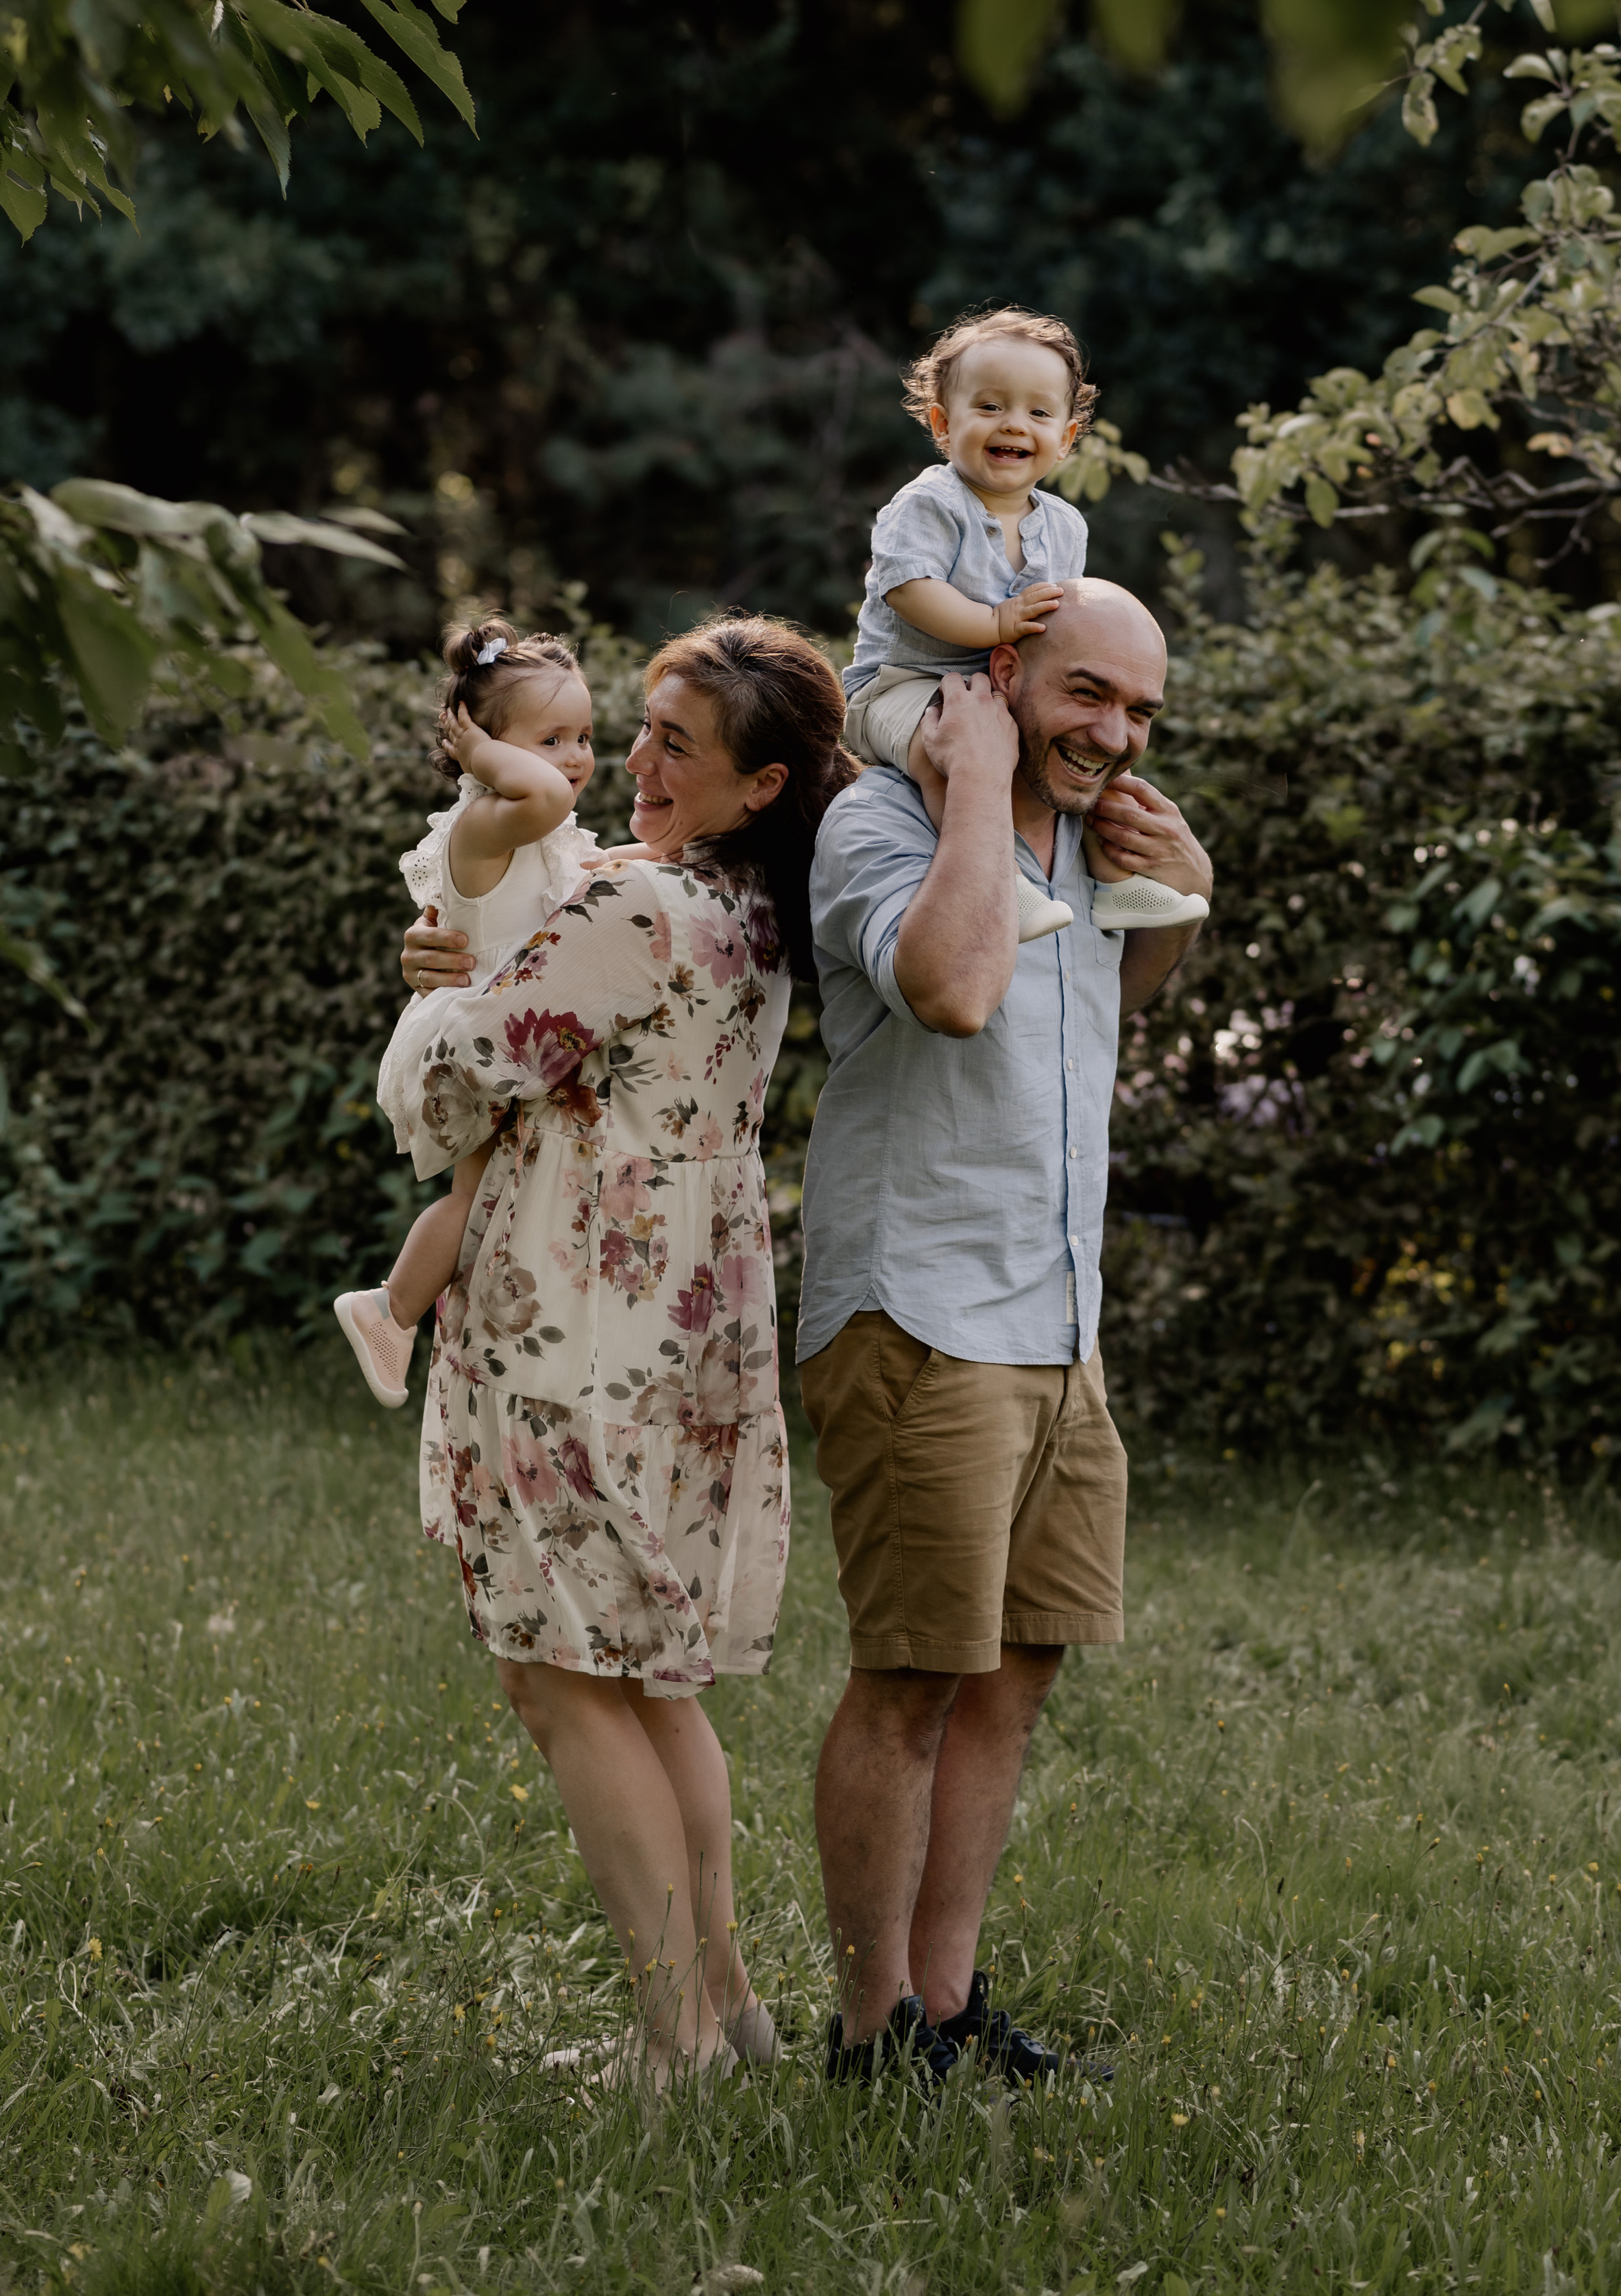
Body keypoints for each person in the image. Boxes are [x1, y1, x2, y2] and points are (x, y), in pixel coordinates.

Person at [395, 616, 857, 2088]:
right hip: (680, 1322)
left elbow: (462, 1081)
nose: (632, 764)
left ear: (759, 784)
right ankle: (728, 2011)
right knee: (647, 1678)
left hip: (569, 1314)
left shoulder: (631, 908)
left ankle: (674, 2043)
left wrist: (439, 981)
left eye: (675, 746)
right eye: (638, 730)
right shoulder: (747, 913)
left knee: (562, 1675)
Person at [799, 577, 1213, 2087]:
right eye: (1085, 694)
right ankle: (865, 2037)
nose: (1114, 733)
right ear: (999, 670)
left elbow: (1090, 1011)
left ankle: (947, 2005)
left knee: (1018, 1663)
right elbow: (960, 991)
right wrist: (975, 776)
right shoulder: (883, 825)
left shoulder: (1080, 833)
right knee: (910, 1676)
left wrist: (1176, 896)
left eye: (1142, 709)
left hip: (1054, 1309)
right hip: (919, 1302)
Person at [842, 306, 1208, 947]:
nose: (1014, 424)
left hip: (998, 687)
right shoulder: (929, 503)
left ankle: (1117, 883)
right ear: (942, 423)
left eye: (1038, 414)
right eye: (989, 406)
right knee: (950, 752)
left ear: (1065, 438)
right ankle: (999, 880)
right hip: (901, 686)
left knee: (1095, 754)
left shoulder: (1065, 525)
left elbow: (1065, 627)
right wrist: (993, 623)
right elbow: (908, 589)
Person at [334, 619, 602, 1411]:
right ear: (484, 750)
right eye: (550, 738)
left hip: (508, 1037)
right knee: (474, 1195)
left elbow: (598, 873)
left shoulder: (540, 826)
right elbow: (547, 794)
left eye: (584, 735)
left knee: (494, 1196)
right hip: (479, 1038)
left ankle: (403, 1310)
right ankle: (390, 1308)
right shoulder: (490, 821)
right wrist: (476, 753)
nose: (576, 759)